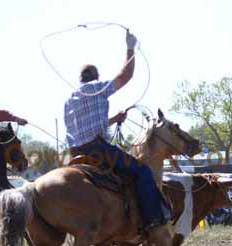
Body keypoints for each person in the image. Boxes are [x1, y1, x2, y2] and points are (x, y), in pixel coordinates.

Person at [64, 30, 170, 231]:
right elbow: (125, 76)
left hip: (77, 153)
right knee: (142, 171)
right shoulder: (97, 88)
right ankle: (153, 219)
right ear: (96, 77)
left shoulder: (70, 100)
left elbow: (84, 128)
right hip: (98, 150)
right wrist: (130, 47)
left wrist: (113, 119)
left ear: (80, 79)